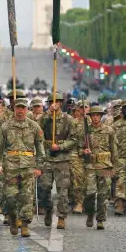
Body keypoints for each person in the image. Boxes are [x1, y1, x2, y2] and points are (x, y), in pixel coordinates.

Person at [0, 98, 45, 237]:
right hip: (10, 166)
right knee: (10, 197)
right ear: (14, 109)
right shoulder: (6, 126)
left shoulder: (34, 126)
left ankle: (24, 225)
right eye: (18, 107)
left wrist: (39, 167)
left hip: (28, 166)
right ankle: (12, 218)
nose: (21, 110)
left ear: (27, 109)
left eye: (23, 108)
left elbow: (40, 149)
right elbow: (0, 148)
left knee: (27, 197)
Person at [40, 93, 77, 229]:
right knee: (44, 188)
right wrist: (49, 112)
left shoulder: (69, 119)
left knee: (63, 191)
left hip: (62, 159)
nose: (55, 104)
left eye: (57, 102)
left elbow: (74, 139)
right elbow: (37, 126)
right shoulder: (46, 118)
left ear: (61, 103)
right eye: (52, 102)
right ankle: (48, 208)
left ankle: (62, 216)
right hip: (47, 158)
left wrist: (60, 146)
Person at [83, 105, 116, 229]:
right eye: (93, 115)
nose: (95, 117)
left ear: (101, 116)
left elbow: (114, 149)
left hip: (105, 166)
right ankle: (90, 213)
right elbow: (79, 147)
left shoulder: (109, 130)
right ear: (90, 117)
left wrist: (114, 167)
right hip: (90, 166)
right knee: (90, 193)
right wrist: (84, 151)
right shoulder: (86, 131)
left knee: (103, 194)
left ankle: (100, 219)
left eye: (98, 115)